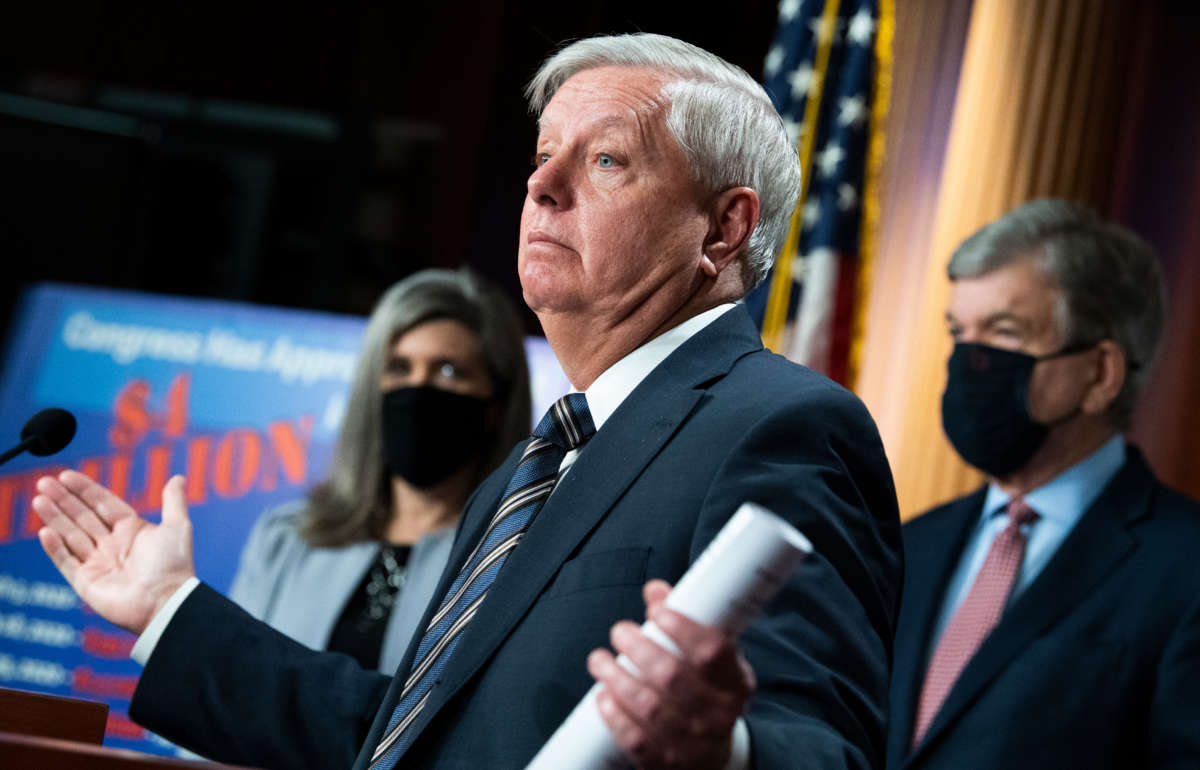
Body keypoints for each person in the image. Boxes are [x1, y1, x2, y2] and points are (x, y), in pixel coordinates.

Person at [34, 33, 902, 770]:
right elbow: (412, 738)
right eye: (540, 157)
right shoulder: (533, 468)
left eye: (603, 161)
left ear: (723, 228)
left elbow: (823, 745)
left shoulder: (782, 428)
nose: (542, 187)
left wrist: (726, 749)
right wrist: (169, 613)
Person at [886, 199, 1200, 769]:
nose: (968, 362)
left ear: (1101, 374)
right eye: (959, 333)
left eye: (1004, 334)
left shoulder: (1187, 567)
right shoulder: (910, 547)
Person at [227, 268, 530, 674]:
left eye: (448, 371)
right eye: (400, 368)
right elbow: (221, 697)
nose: (419, 388)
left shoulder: (512, 561)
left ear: (496, 404)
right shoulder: (286, 539)